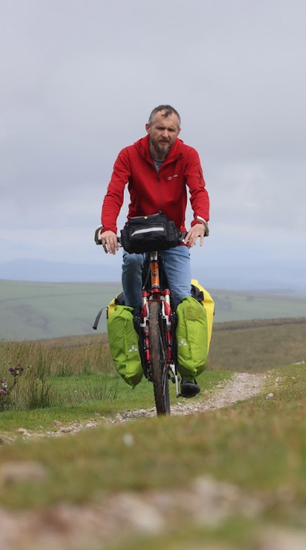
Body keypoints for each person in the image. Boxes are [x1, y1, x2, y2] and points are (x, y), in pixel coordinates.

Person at [99, 104, 210, 396]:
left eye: (171, 130)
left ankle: (188, 372)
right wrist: (108, 227)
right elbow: (114, 193)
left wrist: (200, 222)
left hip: (174, 236)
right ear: (148, 128)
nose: (165, 134)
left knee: (183, 298)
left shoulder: (188, 155)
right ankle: (136, 317)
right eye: (160, 128)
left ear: (178, 132)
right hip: (138, 231)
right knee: (132, 265)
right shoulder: (128, 155)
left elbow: (198, 191)